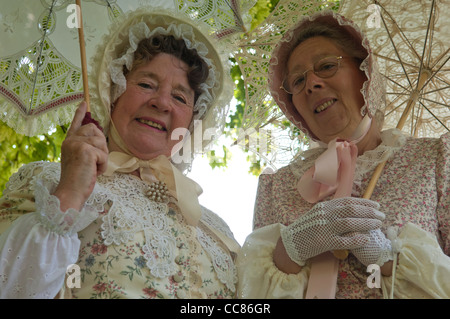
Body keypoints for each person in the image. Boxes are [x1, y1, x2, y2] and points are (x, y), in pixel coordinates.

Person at [0, 8, 240, 299]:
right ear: (111, 95)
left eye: (179, 97)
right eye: (146, 84)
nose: (162, 102)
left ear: (193, 121)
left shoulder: (214, 227)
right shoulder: (46, 182)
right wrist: (69, 193)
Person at [236, 11, 450, 299]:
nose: (311, 83)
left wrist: (390, 260)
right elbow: (251, 297)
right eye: (298, 82)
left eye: (326, 66)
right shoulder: (276, 187)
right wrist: (291, 249)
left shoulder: (435, 159)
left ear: (366, 75)